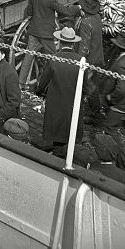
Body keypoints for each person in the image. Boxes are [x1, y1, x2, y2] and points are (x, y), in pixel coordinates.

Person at [18, 0, 78, 86]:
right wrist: (77, 8)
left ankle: (21, 82)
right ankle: (55, 81)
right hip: (46, 35)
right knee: (53, 57)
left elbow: (30, 12)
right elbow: (66, 11)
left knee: (28, 56)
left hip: (34, 32)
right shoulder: (50, 0)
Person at [35, 26, 84, 154]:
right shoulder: (81, 61)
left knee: (57, 135)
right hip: (73, 104)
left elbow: (43, 82)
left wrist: (39, 92)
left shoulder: (54, 59)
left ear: (60, 42)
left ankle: (57, 155)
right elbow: (87, 86)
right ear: (73, 44)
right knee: (70, 132)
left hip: (56, 104)